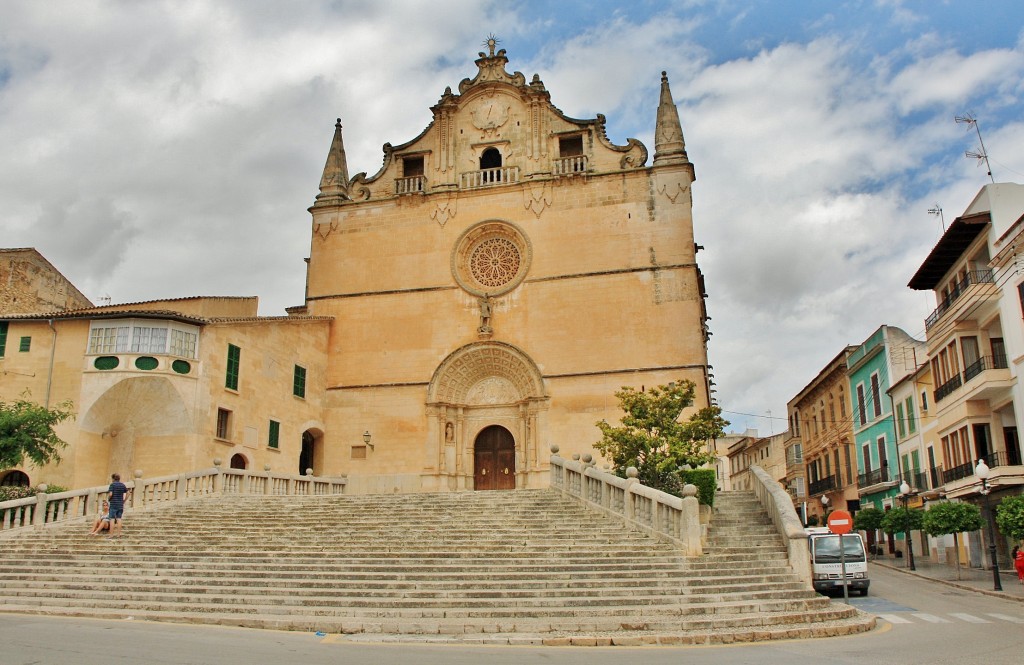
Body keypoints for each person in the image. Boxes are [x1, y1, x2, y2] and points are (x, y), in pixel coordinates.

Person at [106, 473, 131, 539]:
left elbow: (111, 494)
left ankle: (111, 535)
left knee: (112, 519)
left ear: (113, 478)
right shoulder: (122, 485)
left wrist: (108, 498)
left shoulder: (112, 485)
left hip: (113, 504)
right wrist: (124, 500)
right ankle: (118, 534)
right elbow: (128, 493)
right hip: (120, 505)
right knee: (119, 518)